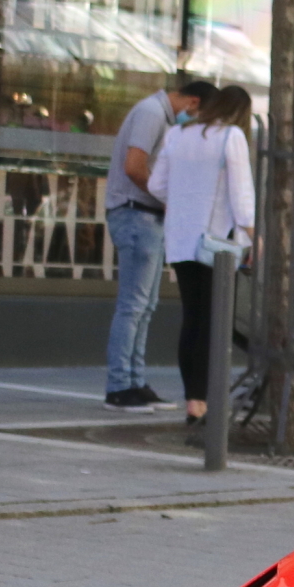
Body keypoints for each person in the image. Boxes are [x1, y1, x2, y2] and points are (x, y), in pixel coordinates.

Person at [147, 84, 255, 427]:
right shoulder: (232, 136)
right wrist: (253, 235)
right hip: (215, 243)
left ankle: (193, 400)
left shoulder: (177, 134)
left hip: (179, 239)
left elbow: (155, 186)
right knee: (213, 322)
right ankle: (203, 401)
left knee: (193, 318)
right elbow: (241, 192)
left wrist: (184, 200)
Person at [102, 76, 212, 410]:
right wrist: (166, 197)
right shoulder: (151, 113)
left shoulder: (158, 115)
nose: (194, 123)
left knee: (145, 306)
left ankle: (135, 381)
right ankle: (120, 386)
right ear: (192, 102)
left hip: (145, 216)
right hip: (136, 214)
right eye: (199, 115)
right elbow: (134, 166)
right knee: (134, 306)